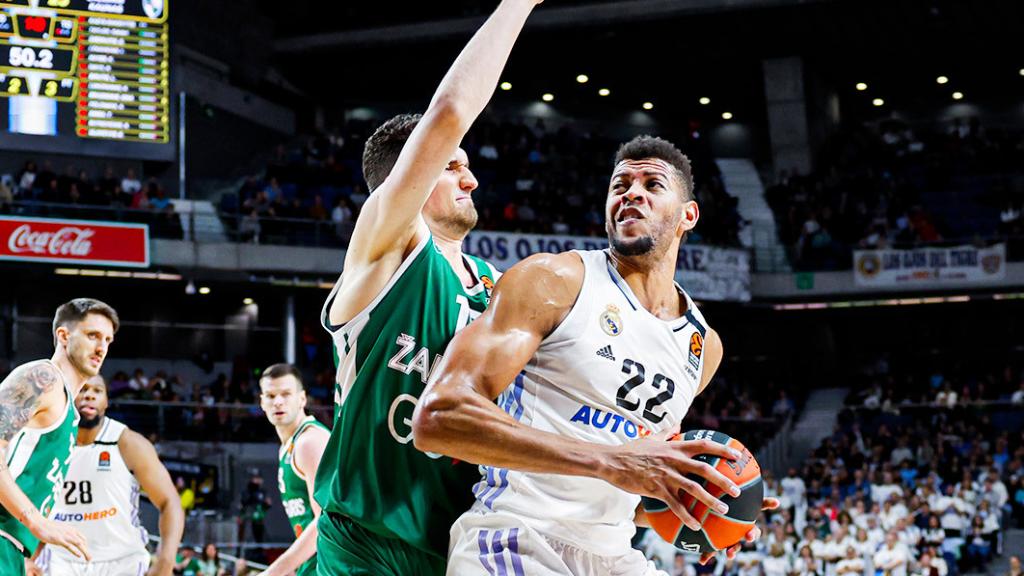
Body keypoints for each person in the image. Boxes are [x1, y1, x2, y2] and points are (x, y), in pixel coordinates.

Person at [413, 136, 775, 575]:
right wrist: (610, 461)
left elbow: (630, 488)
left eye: (652, 185)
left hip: (614, 555)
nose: (631, 193)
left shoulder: (703, 347)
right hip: (516, 537)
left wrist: (706, 507)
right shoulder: (554, 281)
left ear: (688, 216)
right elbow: (439, 417)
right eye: (620, 184)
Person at [313, 1, 543, 574]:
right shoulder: (388, 248)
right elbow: (448, 114)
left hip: (462, 544)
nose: (471, 176)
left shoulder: (498, 288)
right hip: (367, 541)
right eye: (450, 165)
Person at [0, 299, 119, 575]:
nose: (101, 347)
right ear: (63, 336)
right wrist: (36, 522)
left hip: (12, 547)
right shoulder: (43, 378)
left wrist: (27, 550)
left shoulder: (68, 412)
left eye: (108, 340)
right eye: (92, 336)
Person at [32, 375, 184, 576]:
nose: (89, 396)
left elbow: (169, 501)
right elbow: (31, 507)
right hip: (61, 559)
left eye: (97, 391)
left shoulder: (127, 443)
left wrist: (166, 560)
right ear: (68, 397)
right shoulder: (49, 443)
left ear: (106, 402)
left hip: (122, 560)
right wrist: (28, 557)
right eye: (83, 389)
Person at [256, 365, 329, 576]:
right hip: (316, 564)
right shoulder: (288, 447)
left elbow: (325, 521)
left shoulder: (310, 441)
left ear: (302, 399)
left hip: (333, 566)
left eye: (286, 394)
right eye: (270, 395)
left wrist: (272, 572)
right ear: (262, 403)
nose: (278, 401)